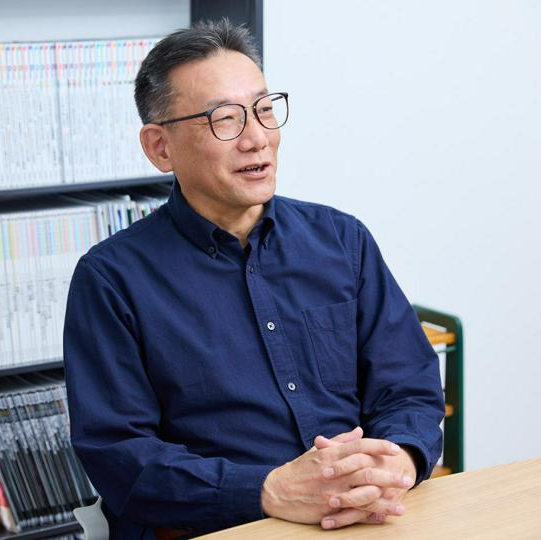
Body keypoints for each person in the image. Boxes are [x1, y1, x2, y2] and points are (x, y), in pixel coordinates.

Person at [64, 19, 444, 539]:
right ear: (160, 147)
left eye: (264, 109)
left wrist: (397, 457)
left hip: (362, 517)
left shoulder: (341, 240)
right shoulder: (111, 279)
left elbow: (409, 384)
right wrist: (267, 490)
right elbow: (121, 458)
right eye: (225, 119)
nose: (257, 138)